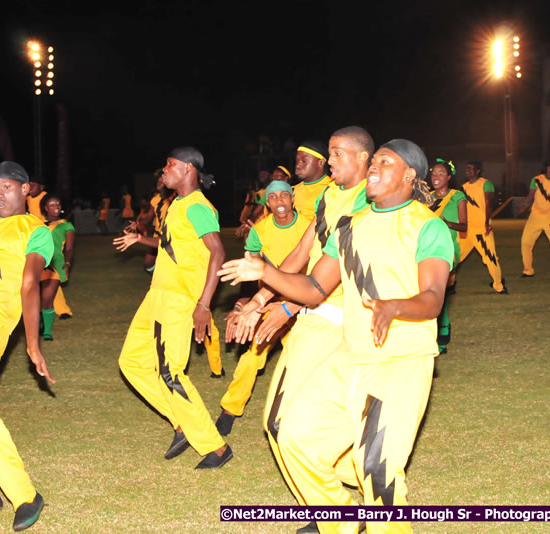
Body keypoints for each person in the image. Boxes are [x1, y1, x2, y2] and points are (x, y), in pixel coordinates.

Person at [218, 138, 453, 534]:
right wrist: (265, 274)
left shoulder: (428, 227)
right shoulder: (348, 226)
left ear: (410, 175)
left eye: (385, 161)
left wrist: (395, 306)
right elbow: (313, 287)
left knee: (376, 469)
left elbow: (432, 297)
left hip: (399, 362)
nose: (374, 166)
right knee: (293, 436)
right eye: (374, 161)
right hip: (350, 357)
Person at [226, 126, 373, 532]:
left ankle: (341, 516)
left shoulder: (367, 202)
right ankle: (337, 504)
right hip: (312, 315)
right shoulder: (330, 197)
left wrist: (287, 305)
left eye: (338, 154)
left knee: (282, 424)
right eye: (330, 153)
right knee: (279, 424)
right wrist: (259, 300)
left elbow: (335, 273)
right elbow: (302, 252)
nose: (331, 161)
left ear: (363, 157)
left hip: (335, 319)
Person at [114, 147, 232, 468]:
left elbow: (218, 253)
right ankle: (181, 422)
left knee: (171, 372)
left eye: (170, 164)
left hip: (180, 298)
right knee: (132, 362)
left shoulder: (197, 206)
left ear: (189, 169)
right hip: (157, 295)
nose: (164, 169)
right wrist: (140, 239)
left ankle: (215, 447)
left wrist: (204, 304)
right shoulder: (176, 204)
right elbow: (171, 244)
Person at [0, 161, 55, 531]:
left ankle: (25, 495)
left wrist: (33, 343)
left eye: (6, 187)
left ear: (25, 189)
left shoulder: (37, 230)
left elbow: (29, 284)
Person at [215, 180, 311, 435]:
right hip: (268, 302)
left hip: (303, 303)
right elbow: (249, 274)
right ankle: (230, 409)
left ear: (292, 198)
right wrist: (242, 303)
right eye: (273, 197)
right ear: (267, 203)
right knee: (252, 356)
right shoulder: (259, 230)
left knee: (301, 360)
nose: (279, 201)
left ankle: (293, 415)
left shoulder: (308, 227)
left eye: (284, 195)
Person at [429, 157, 467, 353]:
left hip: (449, 248)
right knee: (429, 290)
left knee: (439, 288)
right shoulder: (426, 197)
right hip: (428, 248)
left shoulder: (457, 196)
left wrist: (446, 223)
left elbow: (464, 226)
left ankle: (442, 332)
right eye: (434, 173)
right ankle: (434, 330)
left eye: (441, 173)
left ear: (449, 177)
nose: (436, 177)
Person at [457, 160, 507, 293]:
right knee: (454, 258)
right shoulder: (463, 188)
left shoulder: (486, 184)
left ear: (478, 171)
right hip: (466, 230)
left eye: (470, 168)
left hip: (481, 229)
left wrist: (486, 223)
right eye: (466, 168)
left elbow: (488, 203)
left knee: (490, 258)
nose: (467, 171)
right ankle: (449, 286)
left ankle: (499, 286)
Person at [520, 160, 550, 278]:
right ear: (549, 168)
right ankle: (528, 271)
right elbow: (530, 196)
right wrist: (525, 206)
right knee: (525, 242)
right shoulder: (536, 180)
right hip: (535, 216)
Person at [39, 194, 75, 341]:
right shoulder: (38, 224)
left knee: (47, 297)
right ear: (45, 208)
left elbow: (69, 248)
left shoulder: (66, 225)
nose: (57, 207)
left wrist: (67, 263)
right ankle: (41, 322)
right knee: (38, 298)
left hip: (54, 263)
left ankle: (47, 331)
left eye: (58, 204)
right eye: (52, 204)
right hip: (38, 263)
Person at [292, 140, 333, 220]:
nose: (298, 166)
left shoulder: (332, 189)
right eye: (297, 161)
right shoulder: (291, 191)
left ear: (320, 162)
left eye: (304, 161)